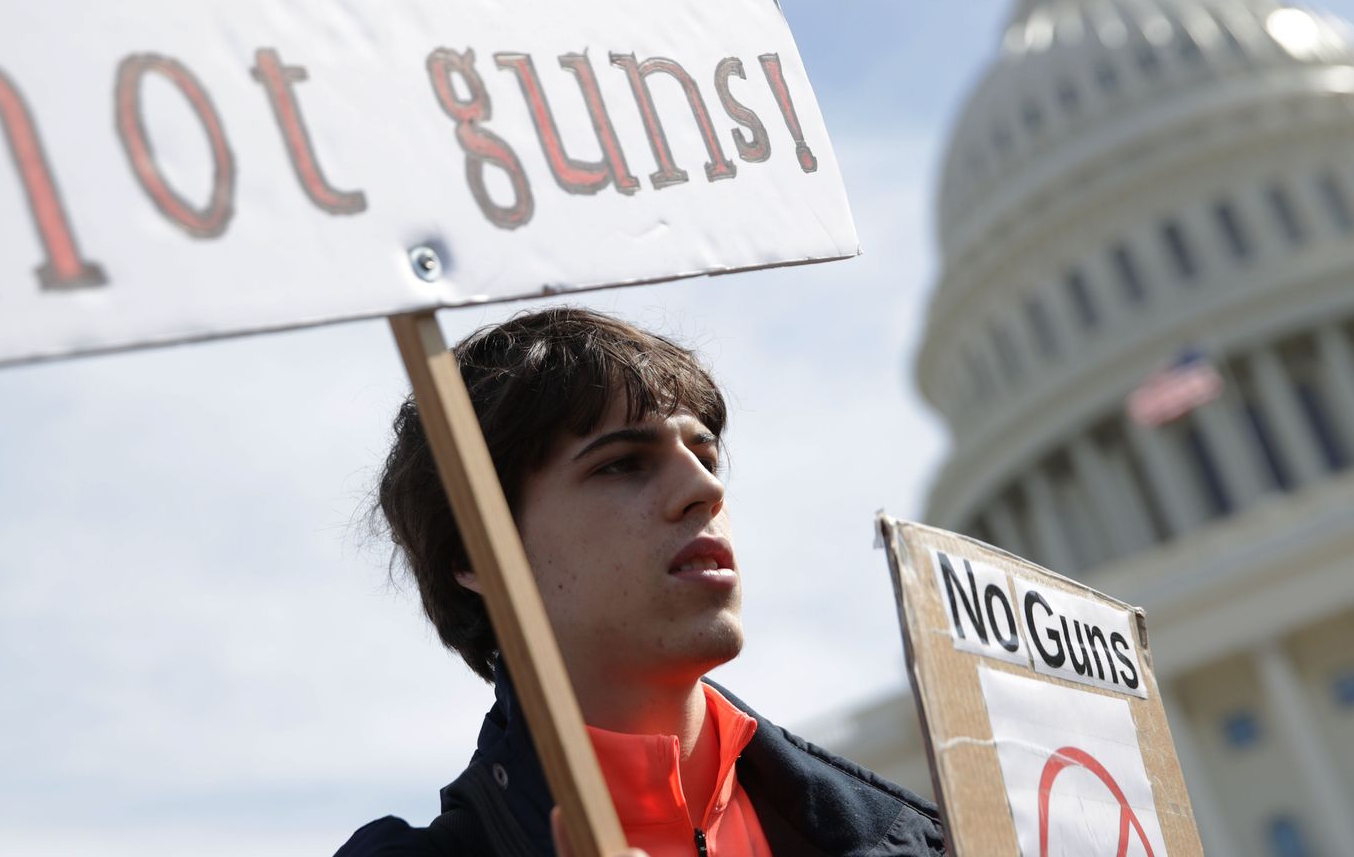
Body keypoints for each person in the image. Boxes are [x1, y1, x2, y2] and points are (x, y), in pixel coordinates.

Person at [338, 307, 943, 857]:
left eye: (706, 457)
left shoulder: (931, 838)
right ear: (475, 554)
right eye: (622, 463)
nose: (706, 490)